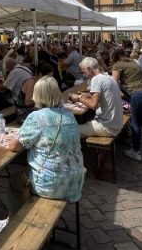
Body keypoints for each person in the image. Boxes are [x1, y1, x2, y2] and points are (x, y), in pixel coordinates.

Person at [5, 75, 85, 214]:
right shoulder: (69, 115)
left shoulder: (36, 117)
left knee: (15, 180)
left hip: (51, 185)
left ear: (38, 95)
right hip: (75, 181)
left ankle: (17, 221)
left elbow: (14, 146)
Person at [76, 57, 124, 138]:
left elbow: (94, 105)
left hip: (108, 127)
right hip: (116, 123)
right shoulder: (108, 77)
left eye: (84, 71)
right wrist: (90, 96)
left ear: (89, 69)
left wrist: (78, 98)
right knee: (87, 119)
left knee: (72, 130)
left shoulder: (96, 79)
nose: (84, 75)